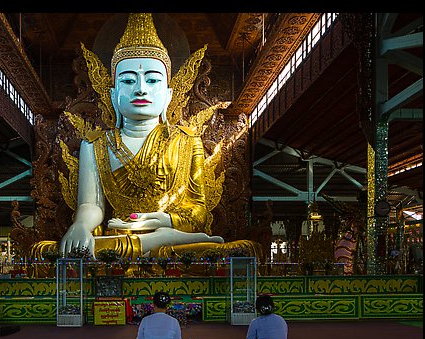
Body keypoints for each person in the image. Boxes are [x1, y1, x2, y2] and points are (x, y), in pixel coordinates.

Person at [31, 13, 262, 261]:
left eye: (152, 80)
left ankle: (162, 239)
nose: (141, 88)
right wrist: (81, 226)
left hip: (166, 233)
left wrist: (160, 219)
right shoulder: (95, 144)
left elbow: (199, 212)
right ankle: (158, 242)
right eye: (128, 80)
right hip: (118, 234)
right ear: (112, 94)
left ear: (168, 95)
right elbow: (92, 205)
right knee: (42, 252)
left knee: (246, 250)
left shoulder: (186, 141)